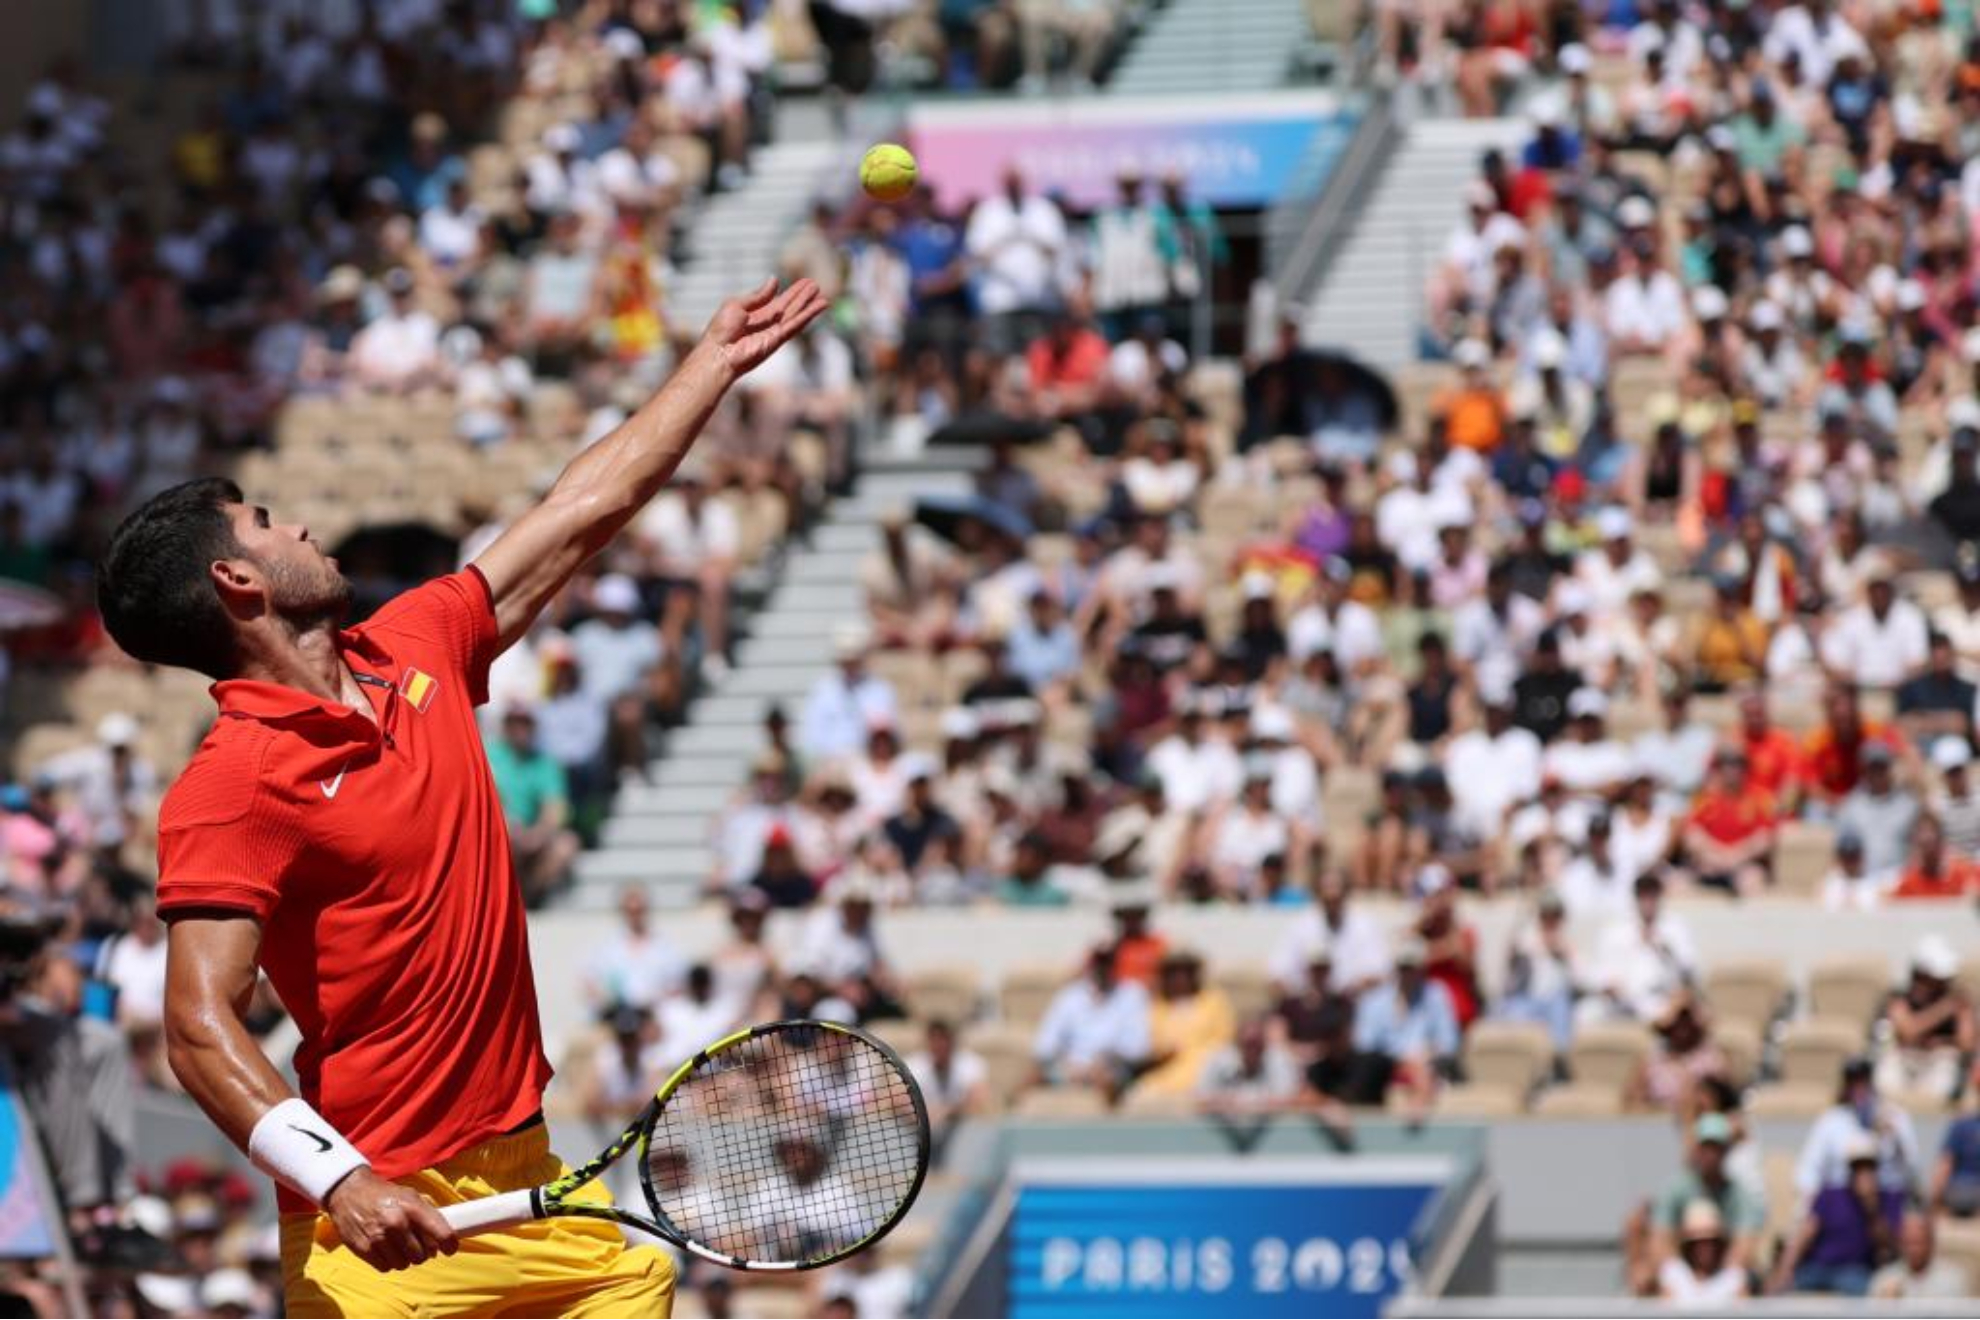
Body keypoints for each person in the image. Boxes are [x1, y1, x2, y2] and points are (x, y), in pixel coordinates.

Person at [104, 275, 824, 1314]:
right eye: (265, 523)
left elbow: (584, 510)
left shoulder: (413, 641)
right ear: (238, 585)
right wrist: (340, 1180)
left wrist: (710, 364)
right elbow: (196, 1027)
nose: (300, 525)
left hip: (524, 1187)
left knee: (641, 1284)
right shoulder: (231, 787)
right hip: (379, 1222)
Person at [1772, 1135, 1902, 1296]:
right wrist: (1785, 1270)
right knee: (1784, 1292)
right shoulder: (1830, 1195)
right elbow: (1805, 1235)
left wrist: (1871, 1209)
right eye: (1858, 1167)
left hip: (1855, 1271)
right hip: (1818, 1268)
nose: (1863, 1173)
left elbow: (1891, 1245)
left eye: (1868, 1167)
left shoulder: (1888, 1200)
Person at [485, 706, 582, 906]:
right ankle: (506, 896)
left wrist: (538, 834)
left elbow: (556, 808)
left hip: (532, 833)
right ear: (506, 726)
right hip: (500, 830)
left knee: (567, 845)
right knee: (503, 841)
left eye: (525, 723)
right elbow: (489, 798)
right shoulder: (489, 754)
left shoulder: (545, 763)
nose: (520, 729)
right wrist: (510, 827)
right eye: (515, 723)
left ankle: (529, 895)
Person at [1030, 948, 1151, 1101]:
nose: (1103, 967)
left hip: (1112, 1069)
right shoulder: (1070, 995)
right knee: (1031, 1076)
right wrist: (1070, 1065)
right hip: (1069, 1068)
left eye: (1108, 962)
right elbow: (1044, 1045)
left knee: (1106, 1078)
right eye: (1099, 962)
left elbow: (1138, 1048)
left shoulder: (1132, 994)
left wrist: (1105, 1060)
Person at [1796, 1057, 1921, 1198]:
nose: (1858, 1087)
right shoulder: (1830, 1120)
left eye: (1863, 1080)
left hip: (1887, 1197)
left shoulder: (1895, 1116)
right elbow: (1807, 1171)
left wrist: (1895, 1138)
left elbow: (1913, 1168)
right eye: (1852, 1082)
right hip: (1841, 1200)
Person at [1874, 937, 1974, 1101]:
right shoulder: (1899, 998)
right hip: (1904, 1060)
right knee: (1886, 1079)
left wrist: (1943, 1040)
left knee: (1944, 1077)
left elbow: (1967, 1043)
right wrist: (1945, 1008)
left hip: (1938, 1063)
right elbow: (1908, 1032)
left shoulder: (1958, 1001)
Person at [1657, 1201, 1750, 1305]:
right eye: (1698, 1242)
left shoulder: (1733, 1276)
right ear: (1688, 1245)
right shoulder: (1673, 1273)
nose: (1705, 1248)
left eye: (1710, 1241)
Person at [1869, 1213, 1969, 1299]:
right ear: (1900, 1244)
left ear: (1931, 1243)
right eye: (1908, 1243)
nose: (1913, 1249)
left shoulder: (1952, 1279)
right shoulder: (1884, 1279)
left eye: (1918, 1242)